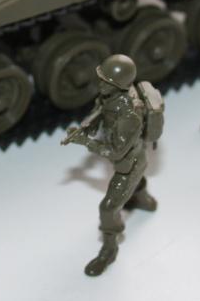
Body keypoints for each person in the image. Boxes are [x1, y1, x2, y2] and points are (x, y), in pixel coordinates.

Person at [63, 54, 161, 277]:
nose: (100, 84)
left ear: (120, 86)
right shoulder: (109, 96)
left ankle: (109, 249)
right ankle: (143, 199)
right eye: (101, 78)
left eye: (106, 82)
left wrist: (86, 142)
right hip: (132, 160)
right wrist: (87, 128)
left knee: (107, 208)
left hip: (130, 164)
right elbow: (99, 113)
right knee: (134, 183)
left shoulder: (130, 116)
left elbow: (116, 152)